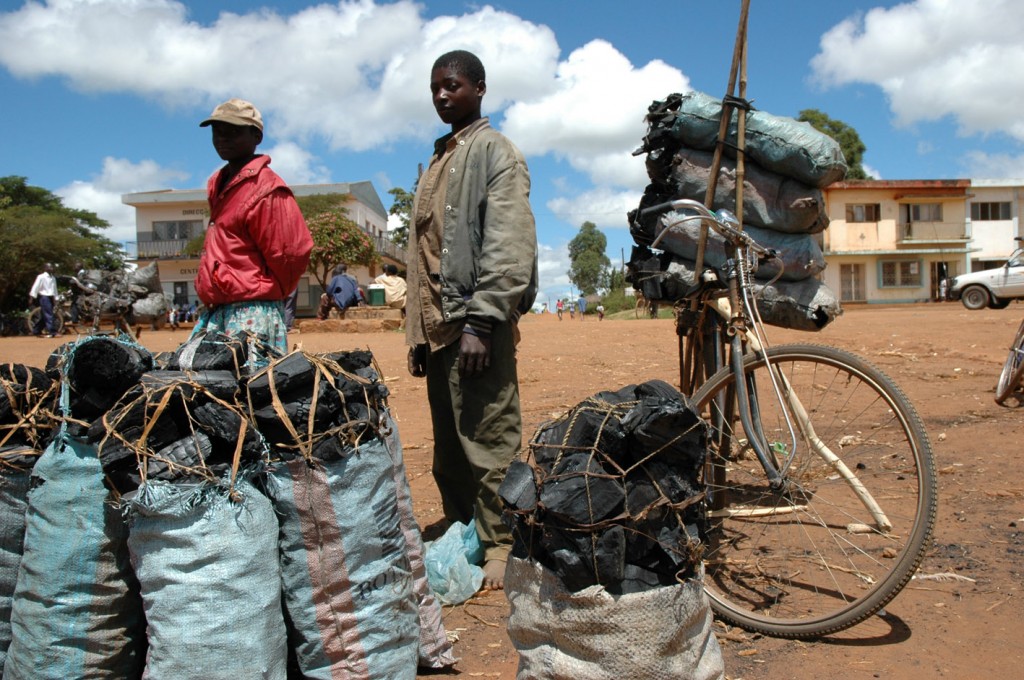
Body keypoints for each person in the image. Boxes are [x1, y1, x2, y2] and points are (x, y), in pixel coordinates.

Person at [406, 49, 538, 591]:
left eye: (453, 86)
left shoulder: (494, 152)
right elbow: (425, 257)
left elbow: (509, 244)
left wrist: (481, 322)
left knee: (490, 439)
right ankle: (467, 532)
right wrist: (417, 332)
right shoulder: (440, 159)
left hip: (475, 327)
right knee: (451, 447)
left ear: (479, 89)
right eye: (435, 86)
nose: (442, 95)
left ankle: (504, 543)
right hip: (440, 329)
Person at [192, 98, 312, 365]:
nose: (222, 138)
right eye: (217, 130)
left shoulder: (267, 189)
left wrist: (266, 290)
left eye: (233, 131)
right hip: (219, 311)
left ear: (256, 136)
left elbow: (290, 254)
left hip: (253, 313)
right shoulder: (219, 184)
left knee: (251, 394)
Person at [28, 263, 58, 338]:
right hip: (44, 297)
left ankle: (36, 330)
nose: (52, 268)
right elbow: (35, 287)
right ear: (45, 268)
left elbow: (54, 290)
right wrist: (31, 298)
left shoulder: (53, 278)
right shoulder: (41, 277)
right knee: (49, 314)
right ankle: (52, 331)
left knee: (45, 316)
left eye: (52, 266)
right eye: (50, 266)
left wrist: (55, 299)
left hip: (50, 297)